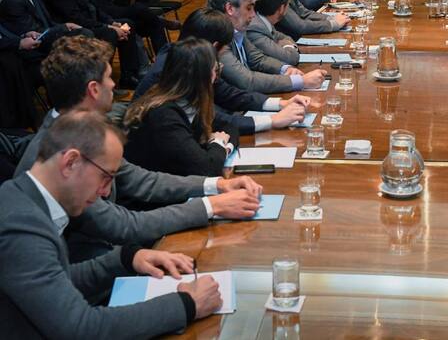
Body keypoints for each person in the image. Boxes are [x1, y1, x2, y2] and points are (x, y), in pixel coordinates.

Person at [14, 35, 262, 260]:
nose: (114, 85)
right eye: (109, 77)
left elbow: (141, 180)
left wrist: (216, 185)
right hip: (88, 264)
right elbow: (122, 225)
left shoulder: (82, 129)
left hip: (114, 248)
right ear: (93, 89)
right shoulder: (61, 152)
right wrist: (212, 206)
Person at [0, 111, 223, 337]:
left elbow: (59, 281)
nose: (106, 191)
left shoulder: (24, 200)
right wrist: (187, 304)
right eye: (105, 177)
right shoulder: (20, 225)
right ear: (70, 162)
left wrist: (127, 258)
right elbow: (81, 329)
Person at [136, 7, 308, 135]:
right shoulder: (172, 70)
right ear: (213, 46)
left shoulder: (189, 59)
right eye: (223, 50)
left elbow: (228, 94)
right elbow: (212, 120)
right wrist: (273, 120)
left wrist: (280, 104)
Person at [124, 38, 238, 177]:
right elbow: (207, 168)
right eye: (215, 70)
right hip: (159, 195)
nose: (216, 77)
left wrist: (223, 149)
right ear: (202, 76)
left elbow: (230, 127)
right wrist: (219, 144)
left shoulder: (188, 100)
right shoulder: (163, 115)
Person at [206, 0, 326, 93]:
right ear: (230, 9)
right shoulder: (217, 37)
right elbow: (248, 81)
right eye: (248, 8)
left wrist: (285, 69)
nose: (253, 14)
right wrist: (300, 81)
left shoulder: (236, 29)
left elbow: (258, 59)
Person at [42, 0, 141, 88]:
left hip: (91, 22)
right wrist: (107, 27)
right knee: (110, 34)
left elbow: (92, 5)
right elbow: (75, 17)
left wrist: (111, 22)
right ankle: (100, 82)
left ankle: (128, 76)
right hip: (73, 29)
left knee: (127, 25)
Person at [248, 0, 300, 65]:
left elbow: (283, 37)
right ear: (281, 8)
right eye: (288, 4)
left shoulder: (264, 21)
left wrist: (285, 44)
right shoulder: (255, 28)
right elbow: (290, 58)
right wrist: (288, 45)